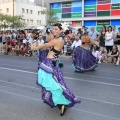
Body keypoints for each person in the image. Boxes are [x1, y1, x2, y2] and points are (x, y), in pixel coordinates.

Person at [31, 23, 80, 116]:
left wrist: (35, 47)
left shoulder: (58, 40)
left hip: (50, 62)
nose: (54, 30)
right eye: (53, 29)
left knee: (49, 82)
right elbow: (49, 42)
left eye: (56, 29)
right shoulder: (59, 39)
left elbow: (46, 45)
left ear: (61, 30)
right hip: (53, 62)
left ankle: (62, 103)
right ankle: (59, 101)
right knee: (51, 82)